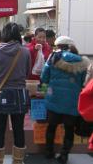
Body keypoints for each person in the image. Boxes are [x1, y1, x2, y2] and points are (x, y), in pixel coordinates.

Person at [41, 36, 89, 164]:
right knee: (69, 129)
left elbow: (44, 77)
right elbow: (83, 82)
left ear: (59, 46)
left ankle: (49, 152)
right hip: (72, 102)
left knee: (51, 126)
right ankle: (64, 155)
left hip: (54, 99)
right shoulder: (82, 62)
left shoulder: (53, 58)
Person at [0, 22, 31, 164]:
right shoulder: (24, 51)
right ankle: (18, 161)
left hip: (1, 94)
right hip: (20, 95)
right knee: (18, 129)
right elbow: (27, 72)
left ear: (4, 35)